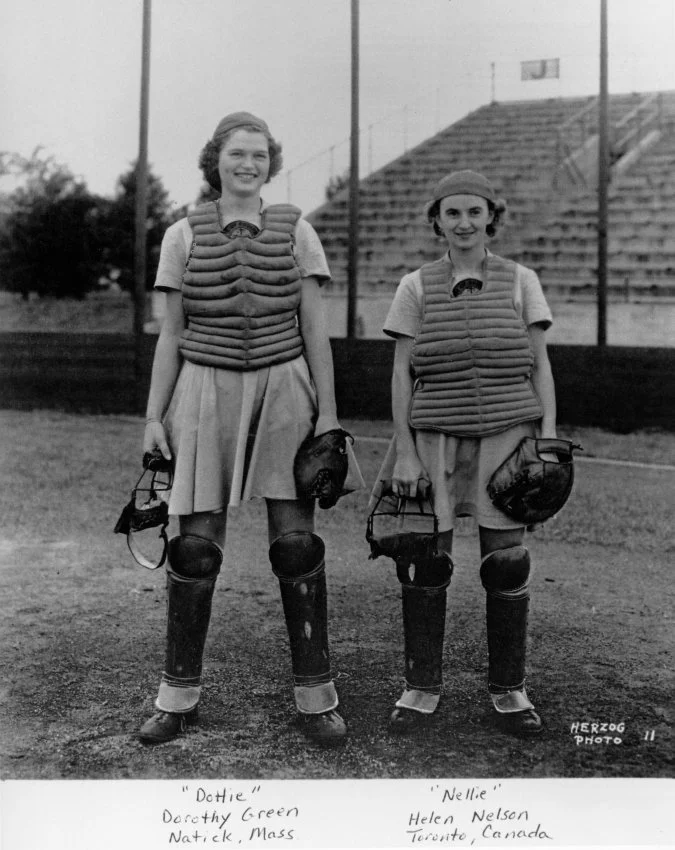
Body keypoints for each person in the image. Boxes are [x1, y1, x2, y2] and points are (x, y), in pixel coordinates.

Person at [138, 111, 362, 747]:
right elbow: (172, 334)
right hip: (204, 387)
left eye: (259, 155)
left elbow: (316, 328)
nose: (248, 164)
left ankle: (316, 697)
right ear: (216, 160)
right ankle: (177, 696)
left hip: (284, 383)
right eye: (237, 154)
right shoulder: (182, 234)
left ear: (271, 162)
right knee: (195, 544)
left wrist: (329, 412)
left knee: (295, 542)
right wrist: (154, 416)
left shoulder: (298, 230)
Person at [374, 169, 557, 736]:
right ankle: (420, 686)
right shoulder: (416, 285)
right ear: (437, 221)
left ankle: (510, 691)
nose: (464, 223)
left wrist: (547, 438)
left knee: (506, 561)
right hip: (435, 435)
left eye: (474, 212)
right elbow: (403, 373)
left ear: (491, 218)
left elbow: (540, 363)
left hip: (508, 431)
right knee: (426, 559)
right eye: (451, 213)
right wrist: (404, 451)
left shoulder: (522, 280)